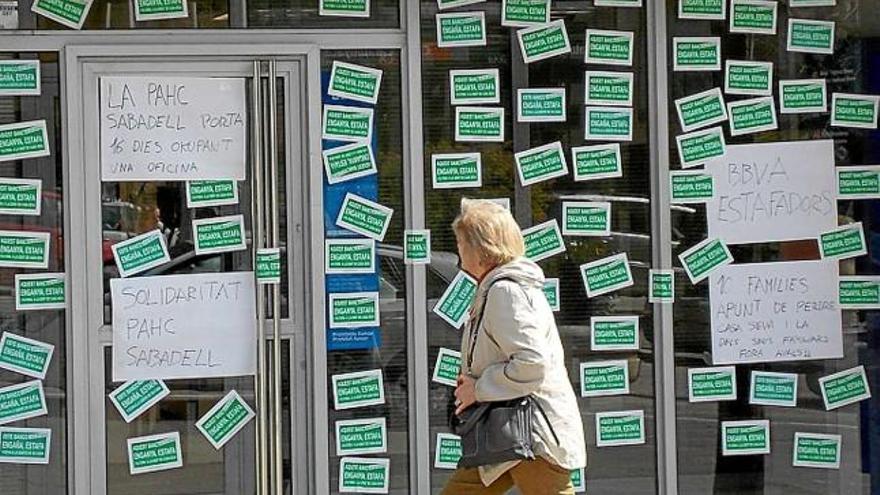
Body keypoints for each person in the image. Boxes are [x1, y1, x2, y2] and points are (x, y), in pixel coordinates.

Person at [441, 200, 586, 495]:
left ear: (480, 248)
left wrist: (478, 388)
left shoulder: (506, 291)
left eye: (461, 243)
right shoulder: (500, 286)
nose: (458, 250)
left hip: (530, 437)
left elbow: (532, 363)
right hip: (504, 432)